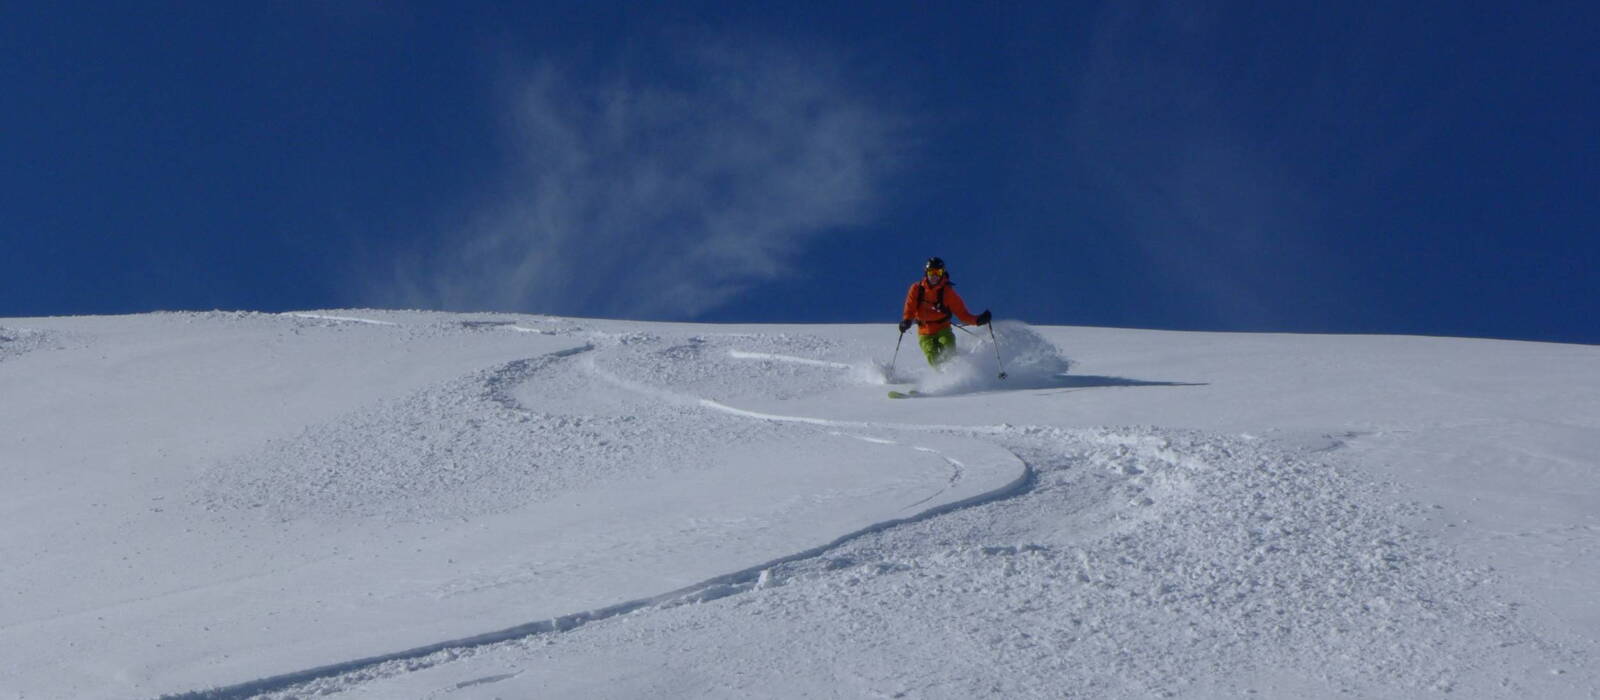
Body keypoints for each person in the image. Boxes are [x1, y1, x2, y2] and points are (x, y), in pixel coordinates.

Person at [899, 257, 991, 366]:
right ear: (926, 273)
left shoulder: (947, 293)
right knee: (931, 355)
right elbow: (910, 307)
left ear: (942, 273)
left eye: (938, 272)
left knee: (948, 346)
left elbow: (962, 313)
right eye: (931, 272)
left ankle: (956, 371)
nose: (934, 276)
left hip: (943, 328)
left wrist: (978, 320)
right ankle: (942, 378)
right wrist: (907, 320)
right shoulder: (916, 289)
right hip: (925, 331)